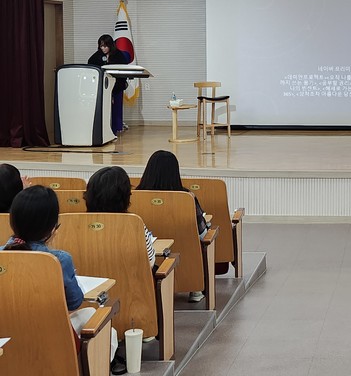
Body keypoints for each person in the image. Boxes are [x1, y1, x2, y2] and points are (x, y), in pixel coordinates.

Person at [2, 186, 125, 374]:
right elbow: (74, 302)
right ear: (52, 228)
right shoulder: (59, 260)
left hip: (7, 342)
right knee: (99, 321)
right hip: (53, 343)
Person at [137, 150, 209, 302]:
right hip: (185, 263)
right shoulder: (186, 197)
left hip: (148, 263)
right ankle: (195, 288)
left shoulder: (135, 196)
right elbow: (202, 234)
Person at [84, 166, 155, 266]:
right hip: (130, 276)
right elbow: (150, 262)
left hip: (85, 275)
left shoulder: (73, 224)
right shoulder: (135, 224)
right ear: (126, 196)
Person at [87, 34, 127, 136]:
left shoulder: (118, 55)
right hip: (103, 88)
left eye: (105, 46)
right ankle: (104, 131)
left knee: (116, 109)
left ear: (110, 45)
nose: (103, 48)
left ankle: (115, 130)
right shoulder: (97, 55)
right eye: (101, 46)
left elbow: (124, 69)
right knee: (104, 109)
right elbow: (90, 64)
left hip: (117, 86)